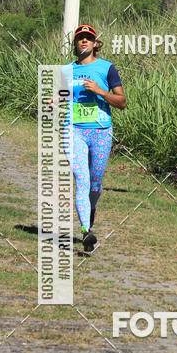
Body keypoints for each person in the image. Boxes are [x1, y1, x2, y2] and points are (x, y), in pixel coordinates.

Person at [62, 24, 125, 252]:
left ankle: (92, 207)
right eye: (80, 38)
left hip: (100, 131)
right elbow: (60, 95)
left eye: (89, 38)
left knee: (95, 184)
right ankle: (86, 231)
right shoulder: (67, 70)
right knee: (82, 178)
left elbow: (122, 102)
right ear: (76, 44)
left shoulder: (107, 68)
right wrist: (53, 101)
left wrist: (99, 91)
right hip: (74, 130)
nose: (84, 41)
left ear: (95, 43)